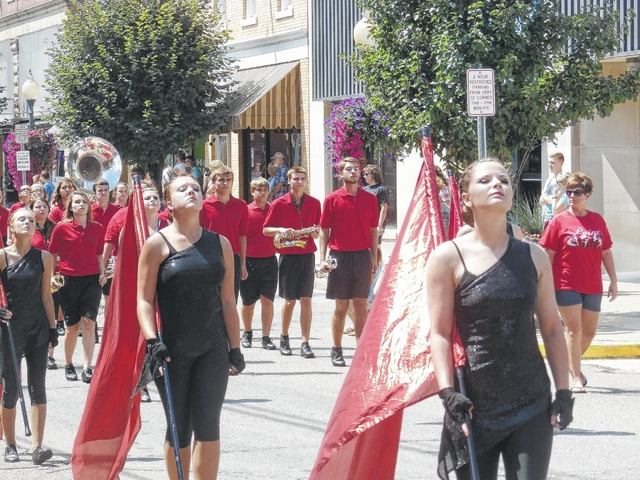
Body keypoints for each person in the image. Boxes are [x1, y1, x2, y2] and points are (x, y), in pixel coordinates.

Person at [427, 158, 573, 480]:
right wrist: (448, 392)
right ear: (465, 198)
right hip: (472, 403)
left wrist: (564, 391)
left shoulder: (533, 256)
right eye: (486, 180)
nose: (497, 185)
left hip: (531, 398)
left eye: (504, 180)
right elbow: (438, 332)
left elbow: (551, 328)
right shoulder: (447, 257)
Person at [137, 174, 244, 480]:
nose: (191, 192)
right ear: (168, 203)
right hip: (171, 350)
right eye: (182, 189)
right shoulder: (156, 244)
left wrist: (234, 347)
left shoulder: (220, 244)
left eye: (195, 188)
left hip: (212, 347)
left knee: (209, 424)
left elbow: (227, 302)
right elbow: (143, 301)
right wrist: (151, 341)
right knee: (179, 426)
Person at [539, 172, 618, 393]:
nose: (571, 196)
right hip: (565, 281)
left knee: (589, 332)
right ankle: (575, 378)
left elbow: (606, 252)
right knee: (574, 329)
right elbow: (547, 253)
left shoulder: (597, 220)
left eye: (577, 192)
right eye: (569, 192)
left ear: (588, 195)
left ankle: (569, 364)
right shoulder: (559, 220)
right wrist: (543, 283)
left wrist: (613, 280)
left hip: (593, 283)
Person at [0, 208, 57, 465]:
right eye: (22, 219)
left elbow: (46, 295)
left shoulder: (44, 257)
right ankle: (11, 444)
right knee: (10, 389)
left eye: (31, 220)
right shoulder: (2, 256)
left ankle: (37, 446)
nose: (28, 222)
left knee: (38, 388)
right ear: (11, 225)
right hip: (10, 330)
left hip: (38, 328)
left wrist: (53, 328)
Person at [319, 157, 378, 366]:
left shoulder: (370, 200)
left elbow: (373, 230)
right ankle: (336, 349)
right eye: (349, 169)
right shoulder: (331, 199)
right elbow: (324, 230)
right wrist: (322, 258)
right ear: (341, 173)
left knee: (361, 305)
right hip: (339, 257)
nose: (353, 171)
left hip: (362, 256)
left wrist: (373, 258)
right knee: (341, 307)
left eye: (356, 168)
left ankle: (360, 350)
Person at [48, 191, 106, 384]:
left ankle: (88, 367)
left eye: (84, 202)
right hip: (68, 280)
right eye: (77, 202)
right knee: (72, 328)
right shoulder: (61, 229)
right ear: (70, 207)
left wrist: (102, 273)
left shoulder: (97, 228)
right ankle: (69, 364)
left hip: (91, 281)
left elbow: (99, 254)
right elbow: (53, 255)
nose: (81, 204)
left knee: (89, 324)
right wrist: (51, 278)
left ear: (89, 206)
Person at [264, 166, 321, 358]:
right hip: (288, 255)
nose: (299, 182)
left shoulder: (314, 203)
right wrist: (281, 229)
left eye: (302, 178)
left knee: (306, 300)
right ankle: (284, 337)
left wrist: (315, 232)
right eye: (295, 178)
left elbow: (318, 229)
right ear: (289, 180)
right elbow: (266, 230)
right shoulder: (279, 204)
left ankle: (305, 342)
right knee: (289, 301)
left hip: (307, 255)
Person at [199, 162, 248, 301]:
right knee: (212, 298)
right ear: (213, 183)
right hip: (210, 256)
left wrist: (244, 264)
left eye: (228, 180)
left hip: (233, 258)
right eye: (221, 180)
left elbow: (242, 235)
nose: (225, 183)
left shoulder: (241, 206)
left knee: (232, 299)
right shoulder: (204, 206)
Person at [240, 178, 278, 350]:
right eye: (258, 189)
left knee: (267, 300)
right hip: (250, 261)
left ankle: (266, 336)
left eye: (264, 189)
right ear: (252, 191)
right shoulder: (246, 211)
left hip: (270, 260)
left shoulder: (273, 210)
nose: (262, 192)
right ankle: (247, 332)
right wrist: (242, 264)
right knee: (248, 302)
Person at [29, 198, 59, 370]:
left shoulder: (56, 227)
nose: (42, 209)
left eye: (44, 206)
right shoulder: (29, 230)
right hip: (36, 277)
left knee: (51, 315)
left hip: (55, 276)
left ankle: (50, 355)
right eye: (37, 206)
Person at [362, 164, 389, 245]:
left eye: (366, 174)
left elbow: (383, 208)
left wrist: (379, 226)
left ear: (373, 174)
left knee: (376, 246)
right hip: (366, 222)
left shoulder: (382, 189)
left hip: (376, 223)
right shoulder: (365, 189)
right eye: (364, 174)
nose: (364, 176)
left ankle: (377, 258)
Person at [539, 152, 566, 227]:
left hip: (558, 221)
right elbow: (541, 201)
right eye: (549, 162)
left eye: (553, 163)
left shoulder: (564, 181)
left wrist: (546, 197)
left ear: (561, 163)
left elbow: (559, 201)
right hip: (547, 220)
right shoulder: (549, 180)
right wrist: (551, 198)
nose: (550, 165)